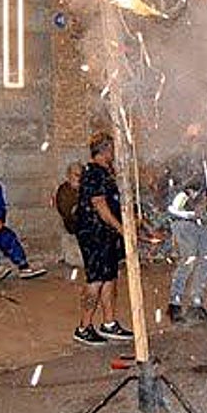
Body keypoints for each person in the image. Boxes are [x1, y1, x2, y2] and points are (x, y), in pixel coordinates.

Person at [73, 131, 134, 345]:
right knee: (96, 279)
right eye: (113, 149)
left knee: (109, 277)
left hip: (106, 235)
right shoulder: (93, 173)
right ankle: (84, 327)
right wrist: (121, 229)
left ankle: (109, 323)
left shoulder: (105, 172)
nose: (115, 153)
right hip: (94, 234)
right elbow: (100, 206)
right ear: (105, 150)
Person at [166, 124, 207, 324]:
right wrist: (193, 201)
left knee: (206, 259)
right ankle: (174, 304)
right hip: (185, 220)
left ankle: (196, 304)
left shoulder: (204, 161)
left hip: (202, 220)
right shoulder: (181, 160)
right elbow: (180, 191)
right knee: (188, 261)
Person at [55, 161, 83, 268]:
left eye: (81, 174)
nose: (79, 177)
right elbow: (67, 212)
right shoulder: (64, 190)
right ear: (69, 175)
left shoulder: (85, 187)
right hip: (74, 225)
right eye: (76, 174)